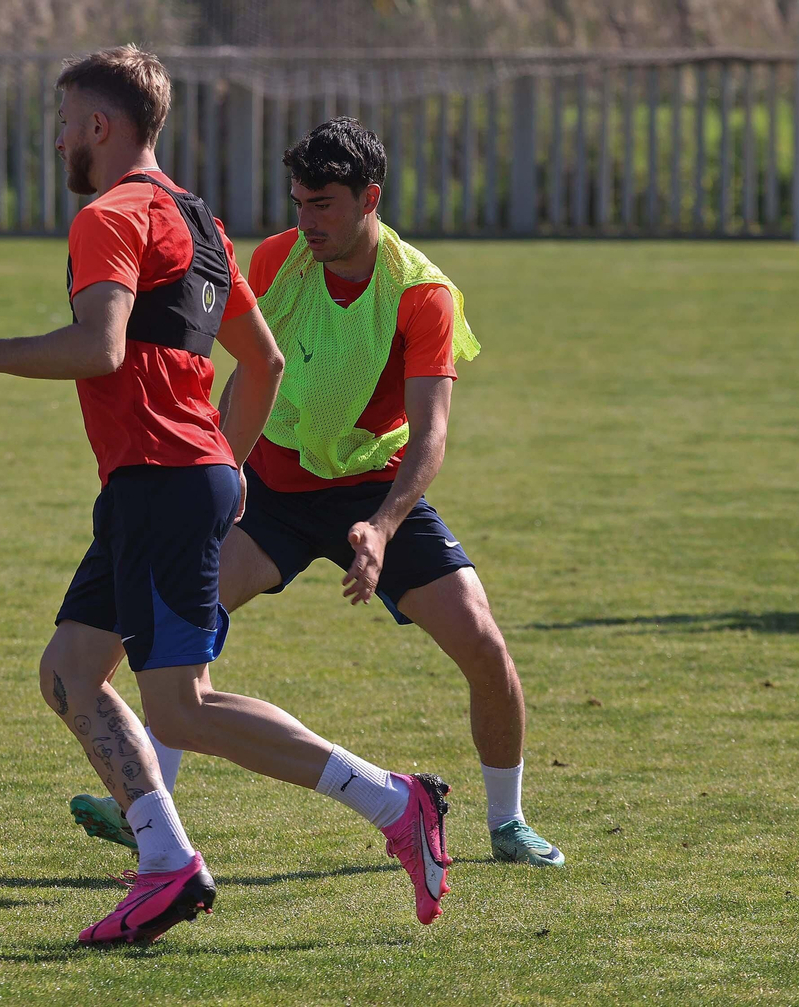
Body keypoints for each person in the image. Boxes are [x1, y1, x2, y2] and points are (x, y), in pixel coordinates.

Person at [0, 46, 454, 945]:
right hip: (174, 478)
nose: (59, 140)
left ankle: (394, 801)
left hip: (163, 480)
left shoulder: (109, 215)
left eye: (64, 122)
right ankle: (166, 857)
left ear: (99, 125)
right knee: (70, 673)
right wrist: (229, 468)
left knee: (181, 704)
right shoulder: (197, 219)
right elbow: (265, 362)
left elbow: (100, 346)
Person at [67, 118, 566, 869]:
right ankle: (146, 801)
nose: (307, 221)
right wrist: (227, 463)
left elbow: (430, 435)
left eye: (324, 204)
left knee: (484, 644)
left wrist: (384, 526)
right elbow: (248, 367)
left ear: (371, 198)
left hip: (374, 490)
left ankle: (508, 820)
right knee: (172, 634)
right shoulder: (278, 259)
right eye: (299, 202)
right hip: (273, 488)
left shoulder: (422, 293)